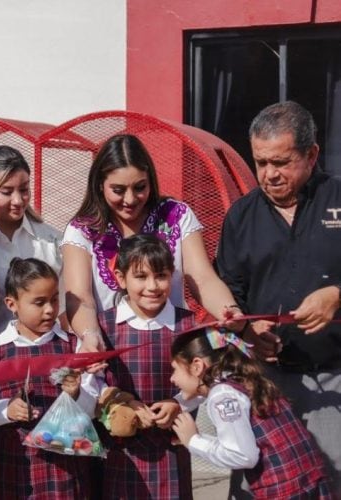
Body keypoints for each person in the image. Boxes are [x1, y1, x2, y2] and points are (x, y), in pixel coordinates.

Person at [216, 100, 341, 494]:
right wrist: (248, 331)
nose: (269, 174)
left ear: (312, 154)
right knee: (262, 484)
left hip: (333, 376)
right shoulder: (239, 217)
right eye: (261, 162)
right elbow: (229, 293)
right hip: (263, 378)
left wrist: (337, 295)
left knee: (331, 481)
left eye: (281, 162)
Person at [61, 133, 244, 350]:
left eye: (139, 188)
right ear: (100, 185)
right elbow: (80, 296)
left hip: (171, 348)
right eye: (118, 190)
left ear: (151, 181)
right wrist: (90, 335)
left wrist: (229, 309)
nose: (130, 200)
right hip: (107, 349)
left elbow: (202, 278)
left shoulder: (176, 216)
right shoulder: (82, 229)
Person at [0, 145, 65, 498]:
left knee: (52, 472)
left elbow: (63, 308)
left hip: (45, 364)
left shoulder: (48, 240)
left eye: (24, 189)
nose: (17, 199)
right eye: (6, 191)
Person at [82, 234, 196, 498]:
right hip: (118, 449)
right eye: (141, 277)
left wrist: (179, 402)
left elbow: (206, 380)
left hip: (171, 446)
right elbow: (91, 382)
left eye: (161, 275)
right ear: (121, 278)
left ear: (172, 275)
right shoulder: (102, 326)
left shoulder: (189, 326)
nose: (153, 286)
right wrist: (118, 404)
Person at [0, 258, 91, 498]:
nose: (49, 309)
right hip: (16, 463)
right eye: (39, 302)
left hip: (66, 466)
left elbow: (95, 400)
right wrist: (6, 410)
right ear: (11, 304)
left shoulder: (72, 345)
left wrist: (77, 394)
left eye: (54, 300)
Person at [170, 327, 333, 499]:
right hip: (310, 480)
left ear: (196, 366)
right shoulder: (243, 379)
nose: (172, 379)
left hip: (283, 491)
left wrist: (194, 441)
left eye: (174, 369)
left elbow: (242, 455)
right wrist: (178, 404)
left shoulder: (222, 396)